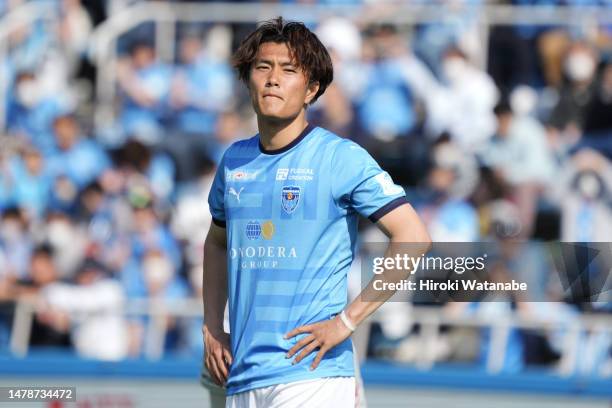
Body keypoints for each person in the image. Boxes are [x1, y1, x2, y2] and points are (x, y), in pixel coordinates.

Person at [202, 17, 431, 408]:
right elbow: (217, 243)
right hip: (242, 376)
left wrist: (347, 321)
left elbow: (413, 237)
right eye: (263, 67)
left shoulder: (340, 158)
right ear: (247, 80)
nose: (273, 79)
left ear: (311, 90)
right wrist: (211, 326)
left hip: (313, 375)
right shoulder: (234, 160)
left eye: (289, 70)